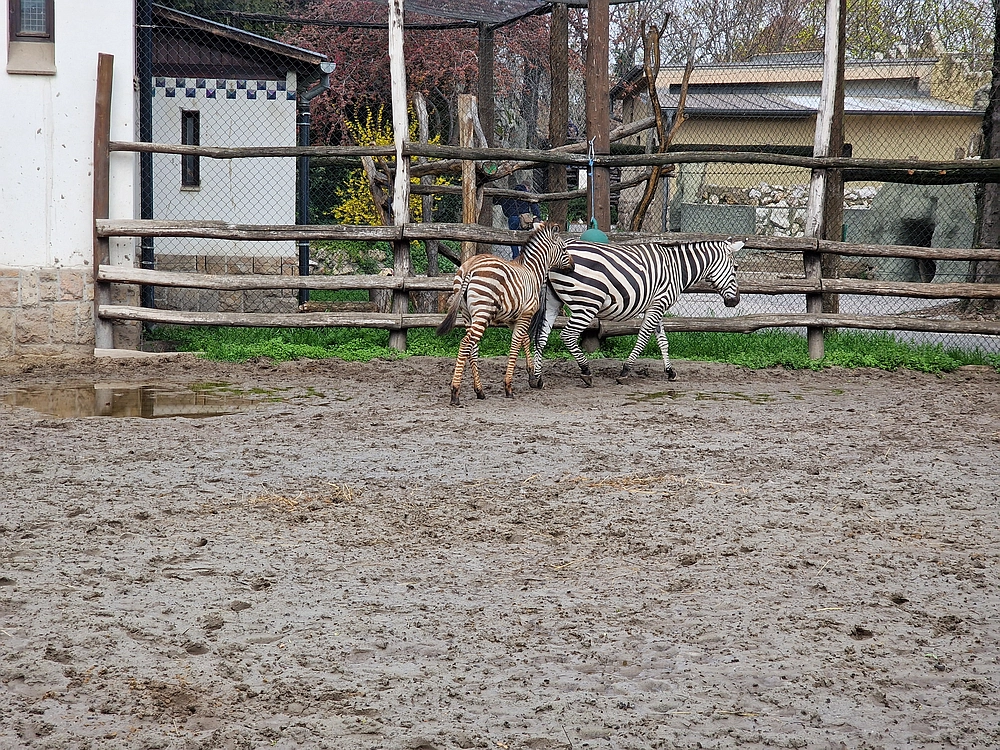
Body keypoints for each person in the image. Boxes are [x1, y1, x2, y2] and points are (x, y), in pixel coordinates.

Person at [499, 183, 541, 258]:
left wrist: (509, 214)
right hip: (524, 219)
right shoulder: (527, 194)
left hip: (513, 218)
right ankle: (523, 256)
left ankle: (516, 256)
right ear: (527, 187)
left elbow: (504, 206)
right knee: (524, 237)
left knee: (512, 238)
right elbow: (534, 206)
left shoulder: (510, 194)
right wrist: (536, 216)